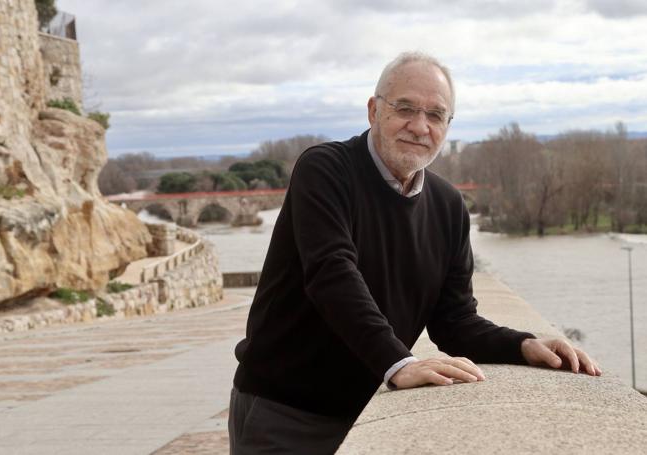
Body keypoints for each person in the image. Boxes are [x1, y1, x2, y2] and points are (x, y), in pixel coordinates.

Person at [228, 51, 601, 454]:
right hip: (286, 412)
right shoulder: (326, 170)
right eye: (405, 108)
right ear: (373, 111)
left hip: (369, 411)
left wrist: (523, 345)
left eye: (436, 115)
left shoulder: (448, 206)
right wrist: (399, 363)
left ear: (447, 126)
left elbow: (455, 321)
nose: (420, 127)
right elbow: (331, 273)